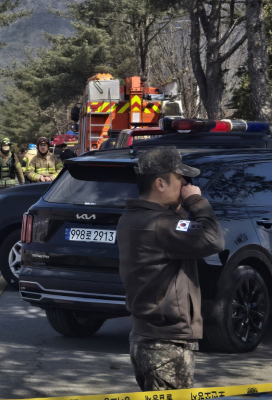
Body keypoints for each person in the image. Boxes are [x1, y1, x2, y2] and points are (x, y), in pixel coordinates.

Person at [117, 147, 224, 392]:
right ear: (160, 183)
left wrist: (177, 207)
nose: (186, 184)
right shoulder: (160, 225)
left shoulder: (134, 218)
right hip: (165, 344)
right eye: (180, 178)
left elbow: (180, 232)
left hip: (148, 338)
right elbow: (212, 239)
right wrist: (195, 201)